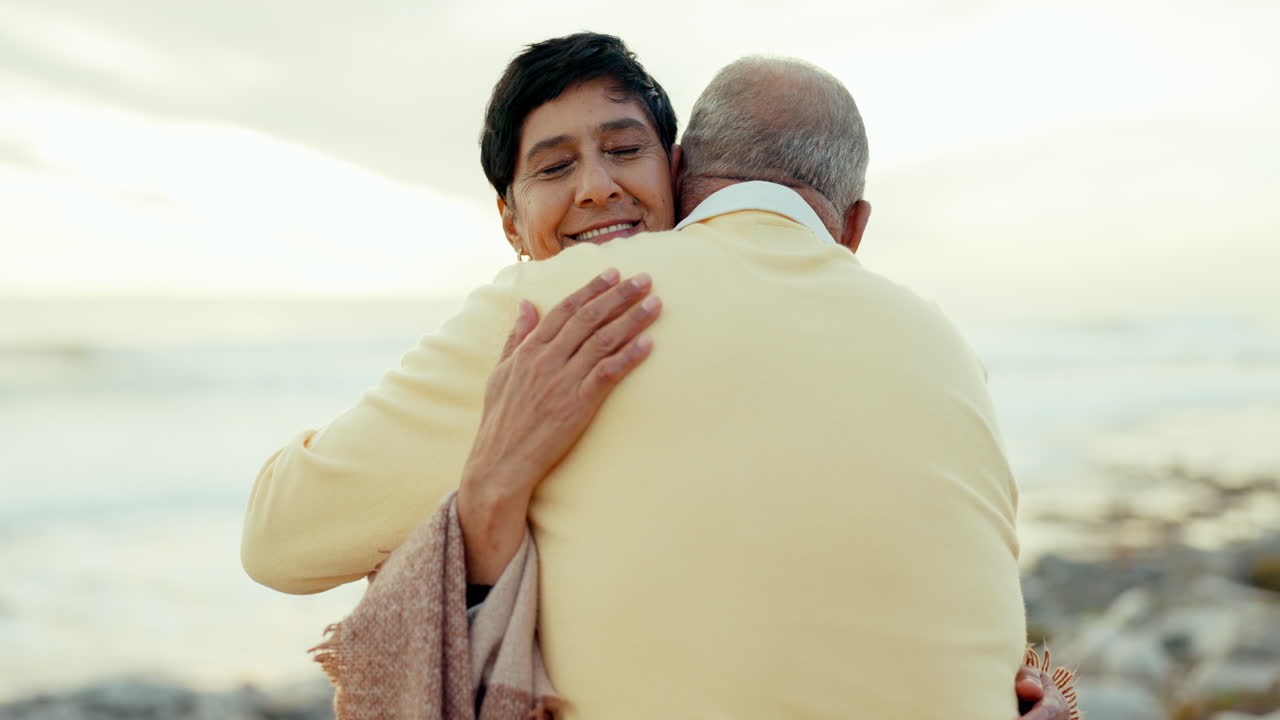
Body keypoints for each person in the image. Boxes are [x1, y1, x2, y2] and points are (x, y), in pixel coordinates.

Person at [243, 33, 1072, 718]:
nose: (599, 190)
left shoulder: (563, 303)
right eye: (555, 167)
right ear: (853, 227)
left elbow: (280, 537)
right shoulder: (944, 344)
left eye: (623, 151)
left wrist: (488, 488)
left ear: (680, 172)